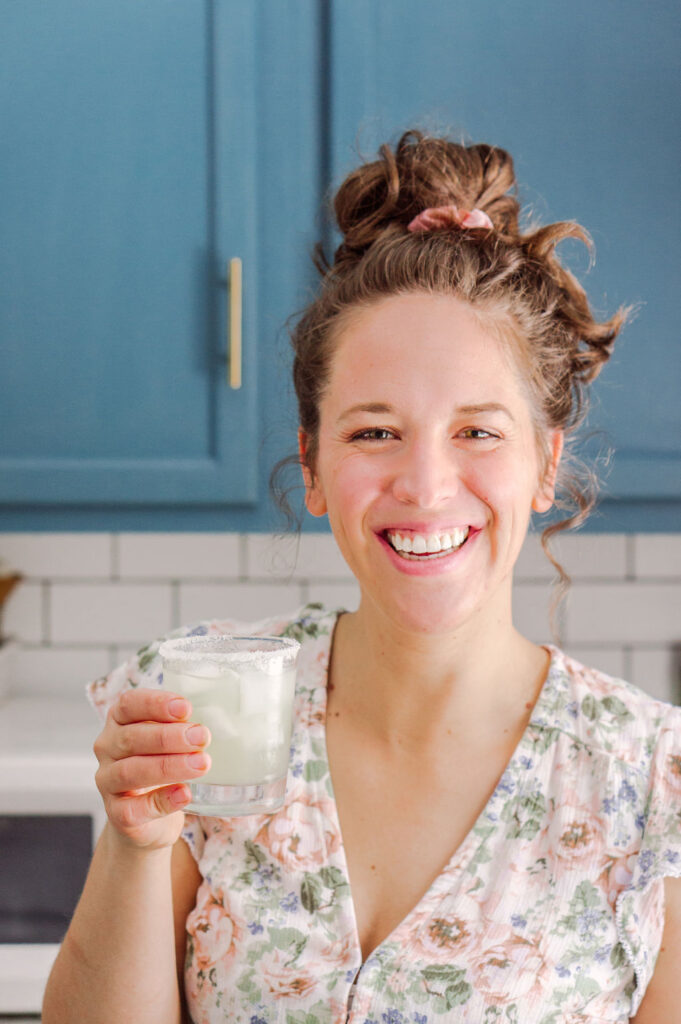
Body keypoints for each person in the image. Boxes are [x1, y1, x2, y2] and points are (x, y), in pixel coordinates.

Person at [43, 130, 681, 1023]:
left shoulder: (654, 779)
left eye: (478, 431)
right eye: (373, 432)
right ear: (310, 466)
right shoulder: (209, 706)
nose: (423, 486)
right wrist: (135, 847)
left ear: (545, 463)